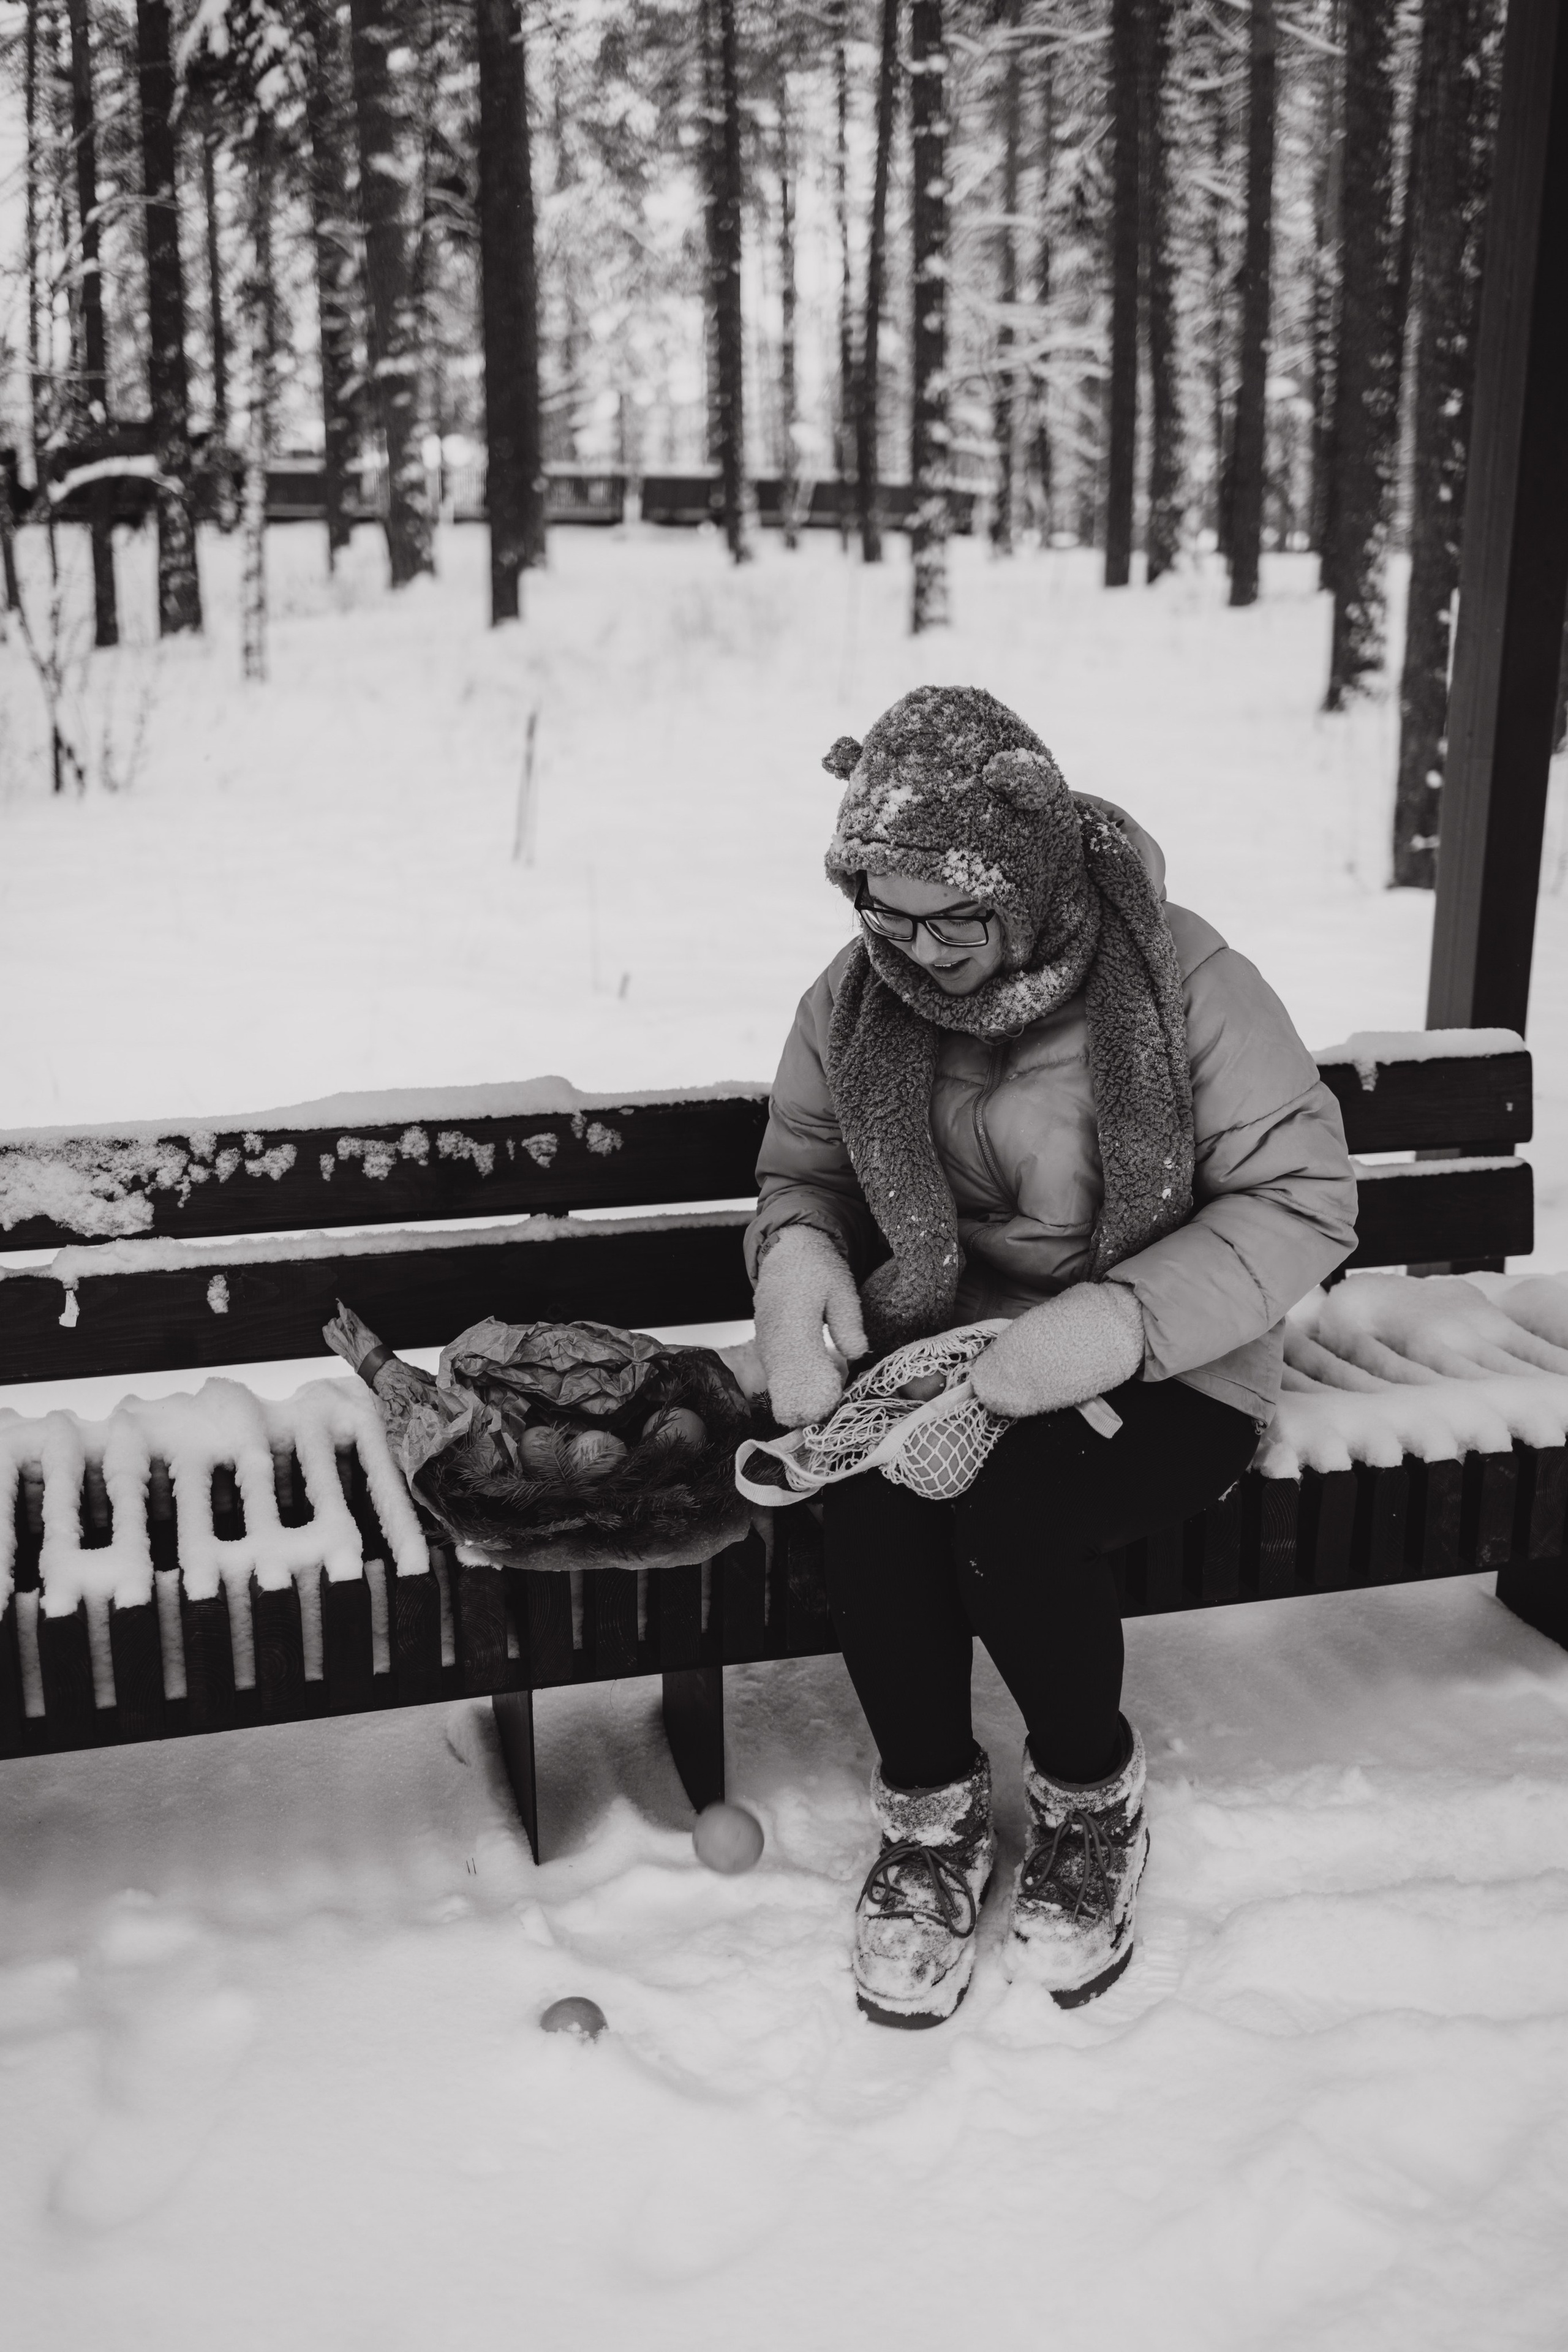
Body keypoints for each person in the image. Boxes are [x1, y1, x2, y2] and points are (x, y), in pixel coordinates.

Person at [745, 687, 1357, 2029]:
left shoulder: (1181, 977)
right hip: (941, 1353)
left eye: (948, 915)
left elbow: (1304, 1198)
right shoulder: (852, 1001)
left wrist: (1119, 1323)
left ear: (1019, 884)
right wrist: (797, 1262)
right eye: (882, 911)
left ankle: (1089, 1802)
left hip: (1166, 1353)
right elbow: (805, 1176)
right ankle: (931, 1818)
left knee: (1012, 1517)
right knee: (869, 1498)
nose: (915, 948)